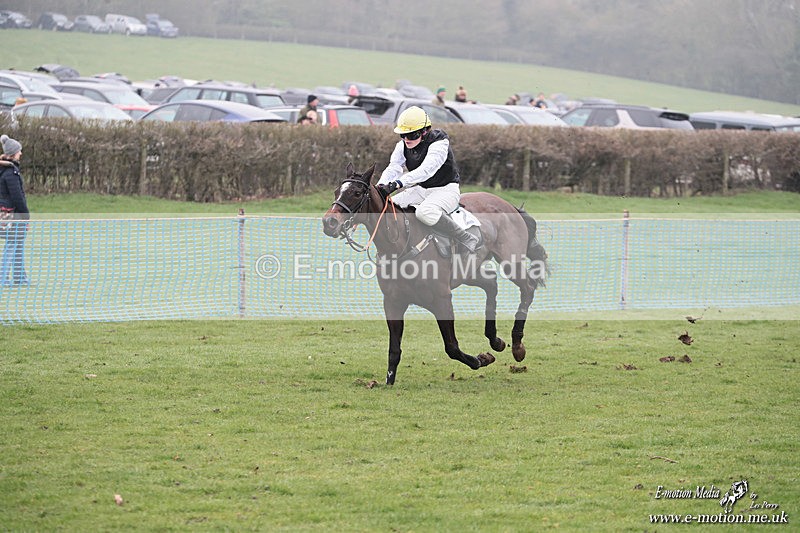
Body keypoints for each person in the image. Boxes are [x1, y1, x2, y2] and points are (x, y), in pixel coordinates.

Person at [376, 106, 480, 254]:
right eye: (403, 135)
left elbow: (426, 171)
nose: (406, 139)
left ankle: (465, 237)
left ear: (425, 131)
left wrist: (398, 184)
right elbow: (394, 167)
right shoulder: (402, 146)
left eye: (411, 135)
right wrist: (380, 185)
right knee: (387, 208)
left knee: (424, 212)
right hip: (420, 190)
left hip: (446, 190)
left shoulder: (440, 143)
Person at [0, 134, 30, 286]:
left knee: (18, 244)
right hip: (12, 215)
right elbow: (18, 197)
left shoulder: (6, 170)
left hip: (6, 213)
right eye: (19, 151)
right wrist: (26, 214)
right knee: (12, 244)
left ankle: (20, 278)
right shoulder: (11, 173)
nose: (21, 153)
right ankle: (3, 278)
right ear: (13, 154)